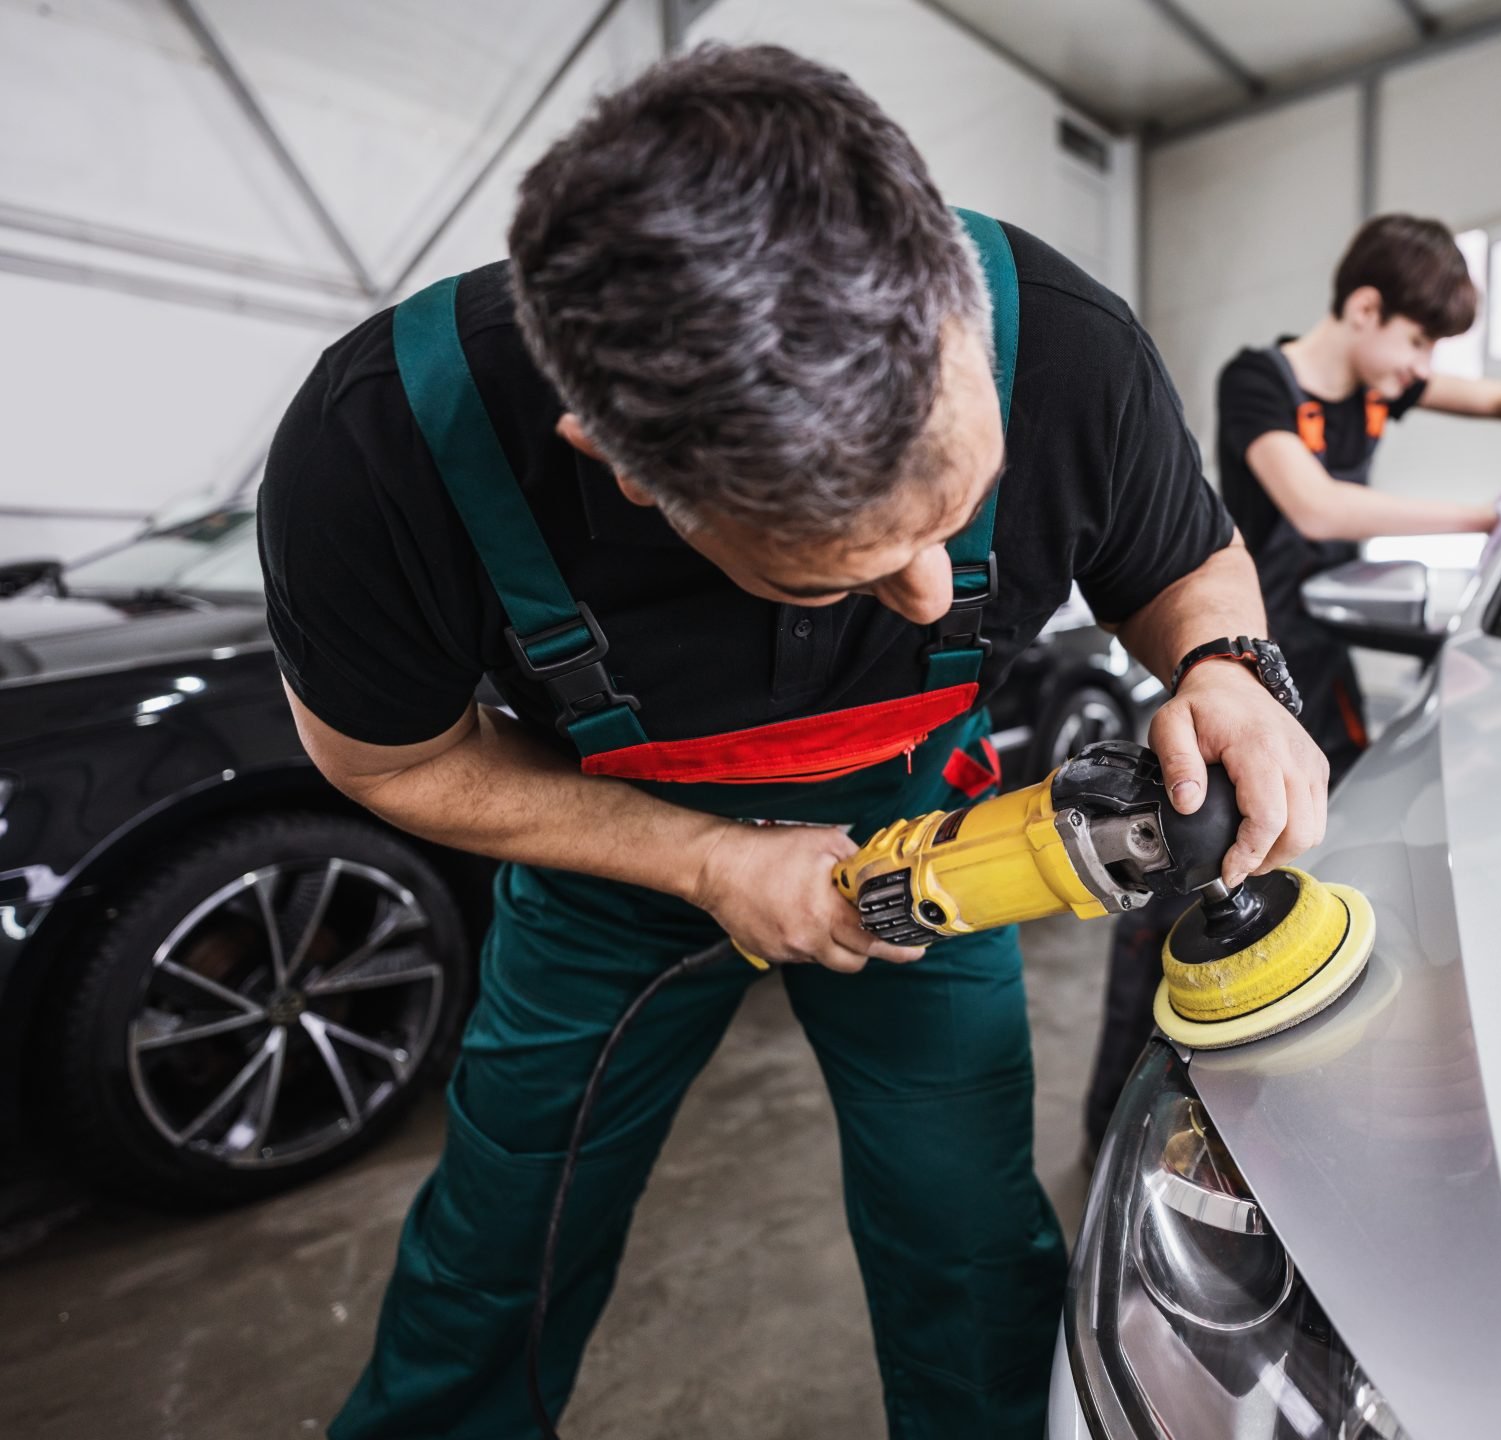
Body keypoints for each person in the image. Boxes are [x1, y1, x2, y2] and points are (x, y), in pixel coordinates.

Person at [258, 46, 1324, 1440]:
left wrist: (1226, 664)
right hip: (613, 866)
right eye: (849, 570)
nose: (938, 596)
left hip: (936, 842)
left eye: (964, 509)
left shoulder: (1063, 342)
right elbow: (387, 762)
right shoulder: (384, 450)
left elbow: (1183, 560)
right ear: (626, 465)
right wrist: (708, 863)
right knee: (507, 1233)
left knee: (965, 1228)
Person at [1081, 213, 1501, 1154]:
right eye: (1414, 340)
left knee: (1330, 868)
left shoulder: (1383, 387)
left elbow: (1488, 397)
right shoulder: (1263, 381)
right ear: (1365, 309)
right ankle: (1123, 1131)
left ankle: (1289, 1117)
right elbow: (1313, 503)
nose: (1421, 368)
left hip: (1323, 678)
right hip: (1235, 678)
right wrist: (1492, 514)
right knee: (1191, 888)